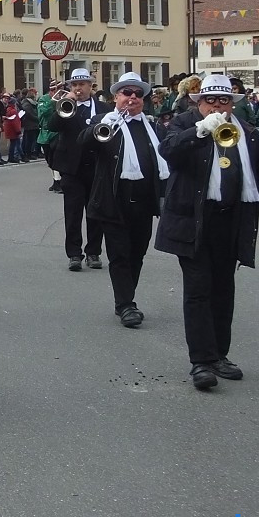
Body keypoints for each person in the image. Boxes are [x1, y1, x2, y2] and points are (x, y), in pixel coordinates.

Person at [156, 74, 259, 390]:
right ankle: (201, 362)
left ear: (231, 103)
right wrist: (201, 131)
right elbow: (168, 151)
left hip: (230, 219)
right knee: (198, 289)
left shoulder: (246, 132)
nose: (217, 106)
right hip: (193, 220)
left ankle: (219, 356)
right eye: (210, 100)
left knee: (223, 290)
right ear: (199, 102)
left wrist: (253, 205)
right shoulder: (182, 123)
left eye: (223, 100)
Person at [79, 72, 169, 328]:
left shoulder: (151, 126)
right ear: (116, 97)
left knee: (137, 253)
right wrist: (106, 124)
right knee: (119, 254)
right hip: (114, 200)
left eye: (138, 94)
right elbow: (83, 143)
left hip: (144, 200)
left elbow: (163, 159)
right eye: (126, 93)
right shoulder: (105, 120)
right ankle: (125, 304)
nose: (132, 98)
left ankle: (128, 298)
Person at [45, 69, 108, 272]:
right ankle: (74, 254)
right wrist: (66, 103)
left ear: (91, 86)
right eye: (74, 85)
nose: (78, 88)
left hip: (97, 166)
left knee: (95, 212)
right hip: (71, 167)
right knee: (72, 213)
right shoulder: (66, 105)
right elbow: (52, 126)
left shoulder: (103, 107)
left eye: (82, 84)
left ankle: (93, 252)